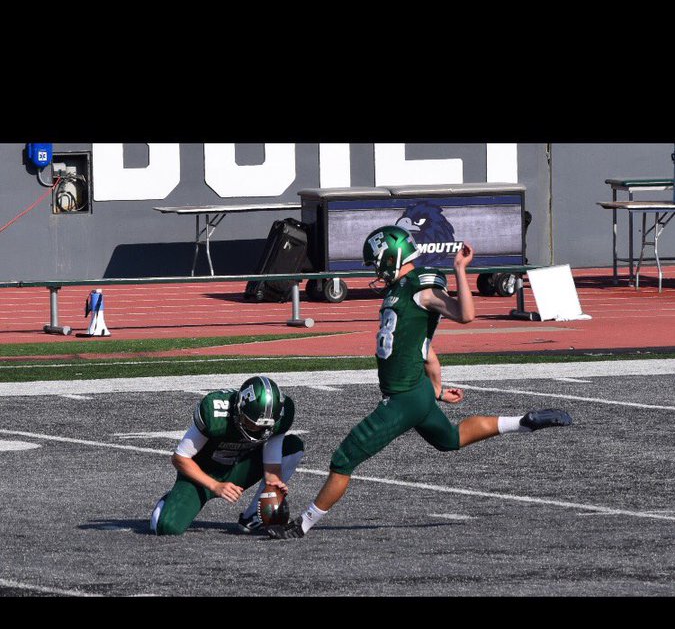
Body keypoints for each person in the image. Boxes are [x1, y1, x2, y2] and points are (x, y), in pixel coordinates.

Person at [261, 225, 571, 539]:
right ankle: (524, 422)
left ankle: (301, 525)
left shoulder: (421, 287)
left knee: (344, 459)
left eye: (378, 262)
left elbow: (465, 315)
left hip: (403, 397)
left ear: (391, 256)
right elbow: (426, 351)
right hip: (418, 390)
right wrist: (435, 389)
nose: (377, 270)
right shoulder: (400, 288)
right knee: (449, 438)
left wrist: (460, 271)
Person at [150, 374, 304, 535]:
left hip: (240, 467)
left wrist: (273, 481)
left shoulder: (282, 414)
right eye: (250, 423)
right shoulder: (215, 412)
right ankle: (172, 498)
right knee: (166, 527)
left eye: (263, 427)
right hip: (202, 473)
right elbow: (180, 458)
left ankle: (253, 516)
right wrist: (214, 485)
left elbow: (272, 455)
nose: (257, 430)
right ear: (239, 408)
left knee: (292, 446)